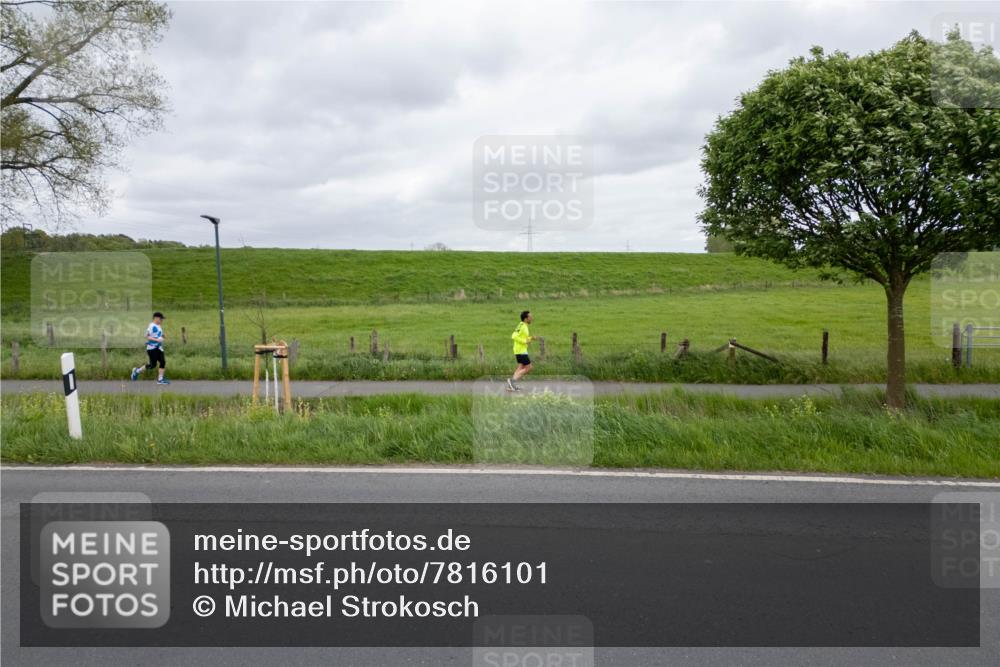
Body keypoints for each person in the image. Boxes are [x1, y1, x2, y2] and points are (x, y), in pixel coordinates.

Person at [131, 311, 170, 384]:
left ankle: (160, 379)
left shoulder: (158, 325)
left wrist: (163, 336)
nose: (162, 320)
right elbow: (146, 335)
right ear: (156, 318)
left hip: (159, 347)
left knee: (163, 361)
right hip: (152, 348)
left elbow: (158, 334)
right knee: (152, 365)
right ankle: (136, 371)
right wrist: (157, 340)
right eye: (161, 319)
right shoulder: (151, 326)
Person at [507, 310, 535, 391]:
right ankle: (512, 381)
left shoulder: (524, 326)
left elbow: (523, 338)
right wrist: (525, 341)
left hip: (521, 349)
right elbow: (514, 336)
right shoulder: (522, 325)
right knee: (529, 367)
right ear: (526, 319)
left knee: (520, 367)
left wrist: (531, 338)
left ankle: (511, 386)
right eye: (530, 317)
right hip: (520, 350)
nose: (532, 318)